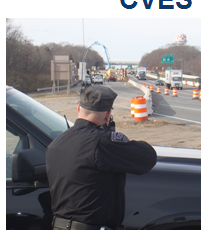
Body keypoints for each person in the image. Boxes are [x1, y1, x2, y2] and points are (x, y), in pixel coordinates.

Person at [46, 86, 157, 229]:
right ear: (108, 114)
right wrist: (109, 135)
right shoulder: (102, 143)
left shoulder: (55, 144)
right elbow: (148, 157)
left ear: (79, 108)